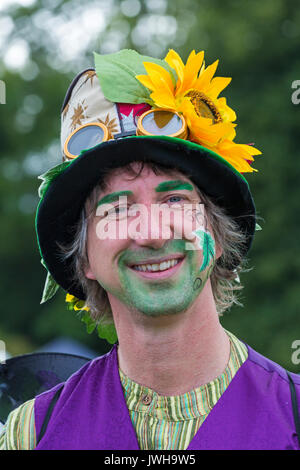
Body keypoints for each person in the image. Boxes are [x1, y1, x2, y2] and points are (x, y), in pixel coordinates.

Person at [0, 48, 299, 451]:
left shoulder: (294, 413)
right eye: (118, 208)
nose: (153, 234)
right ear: (84, 255)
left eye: (175, 200)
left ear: (217, 229)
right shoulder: (30, 434)